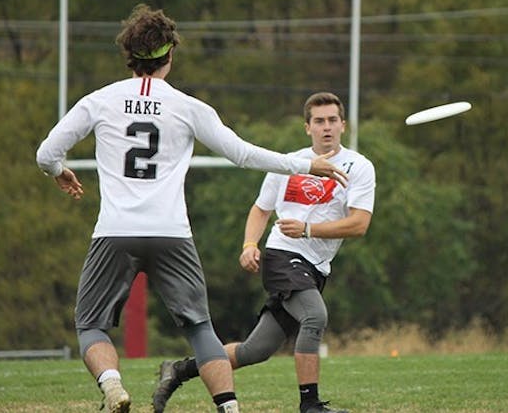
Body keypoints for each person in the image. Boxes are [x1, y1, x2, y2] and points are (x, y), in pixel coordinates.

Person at [35, 5, 347, 413]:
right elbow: (242, 154)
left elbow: (46, 154)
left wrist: (59, 171)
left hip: (114, 231)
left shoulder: (99, 101)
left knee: (90, 325)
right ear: (170, 56)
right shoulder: (187, 107)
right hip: (172, 233)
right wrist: (307, 163)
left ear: (128, 56)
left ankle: (112, 385)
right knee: (200, 327)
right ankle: (229, 408)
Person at [152, 92, 375, 413]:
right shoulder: (291, 163)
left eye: (332, 120)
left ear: (343, 125)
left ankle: (179, 369)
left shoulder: (359, 166)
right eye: (318, 121)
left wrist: (309, 229)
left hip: (315, 266)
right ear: (307, 127)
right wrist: (249, 244)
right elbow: (260, 209)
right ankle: (310, 405)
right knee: (315, 316)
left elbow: (359, 224)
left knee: (255, 351)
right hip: (282, 256)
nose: (326, 127)